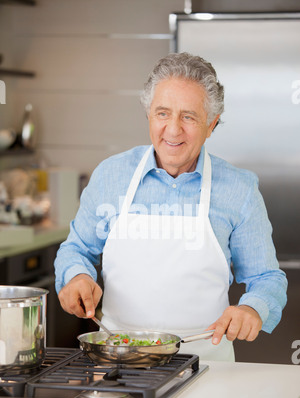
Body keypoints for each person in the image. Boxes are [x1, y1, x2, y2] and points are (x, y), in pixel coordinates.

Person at [54, 52, 287, 361]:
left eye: (188, 116)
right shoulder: (111, 176)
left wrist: (251, 308)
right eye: (163, 113)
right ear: (149, 115)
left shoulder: (238, 189)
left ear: (211, 124)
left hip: (206, 365)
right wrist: (76, 277)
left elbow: (267, 278)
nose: (173, 130)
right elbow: (76, 249)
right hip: (116, 360)